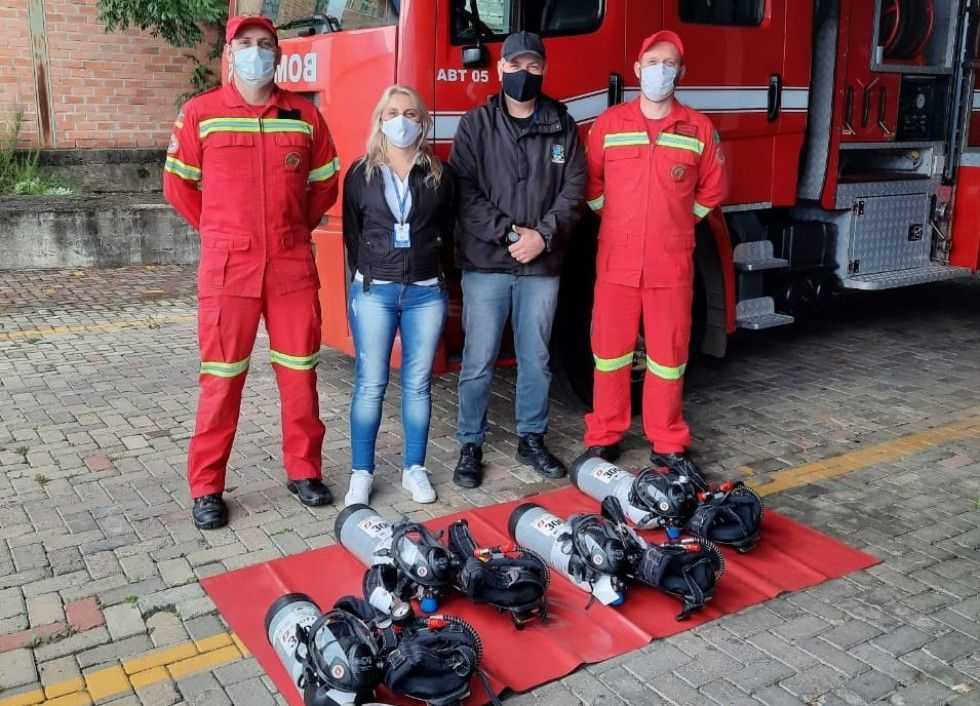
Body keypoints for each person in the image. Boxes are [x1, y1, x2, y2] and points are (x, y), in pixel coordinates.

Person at [164, 14, 340, 529]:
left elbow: (325, 184)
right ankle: (207, 487)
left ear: (279, 55)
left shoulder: (304, 116)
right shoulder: (202, 113)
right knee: (221, 380)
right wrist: (222, 232)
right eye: (247, 43)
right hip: (229, 268)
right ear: (230, 53)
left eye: (266, 43)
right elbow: (179, 187)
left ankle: (304, 471)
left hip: (289, 263)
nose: (257, 51)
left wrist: (289, 229)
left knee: (300, 375)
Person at [580, 30, 727, 480]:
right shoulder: (609, 124)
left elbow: (712, 190)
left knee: (668, 356)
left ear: (680, 73)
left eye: (670, 64)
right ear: (637, 69)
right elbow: (591, 186)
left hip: (671, 263)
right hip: (617, 261)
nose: (660, 71)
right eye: (653, 62)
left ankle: (668, 442)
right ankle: (605, 435)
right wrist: (624, 225)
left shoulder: (698, 129)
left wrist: (678, 224)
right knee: (609, 353)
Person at [450, 31, 587, 488]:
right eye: (514, 66)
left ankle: (532, 438)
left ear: (544, 70)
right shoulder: (475, 124)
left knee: (537, 358)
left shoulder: (563, 125)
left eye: (532, 67)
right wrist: (511, 234)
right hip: (486, 261)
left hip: (541, 265)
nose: (522, 74)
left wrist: (542, 237)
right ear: (499, 69)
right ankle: (471, 443)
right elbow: (464, 192)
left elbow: (574, 191)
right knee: (478, 359)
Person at [341, 85, 455, 507]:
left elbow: (449, 230)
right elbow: (353, 235)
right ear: (380, 120)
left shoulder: (440, 174)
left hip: (426, 292)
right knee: (370, 384)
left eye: (410, 113)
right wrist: (366, 276)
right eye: (392, 112)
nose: (401, 121)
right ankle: (361, 473)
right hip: (375, 290)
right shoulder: (360, 173)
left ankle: (414, 468)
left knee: (418, 384)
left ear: (423, 122)